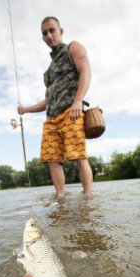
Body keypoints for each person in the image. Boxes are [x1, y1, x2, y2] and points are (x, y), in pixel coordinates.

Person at [17, 16, 93, 196]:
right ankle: (60, 199)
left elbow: (86, 73)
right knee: (52, 160)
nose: (49, 35)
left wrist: (77, 101)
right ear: (43, 38)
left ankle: (88, 198)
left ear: (61, 31)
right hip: (51, 119)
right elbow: (47, 101)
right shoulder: (48, 72)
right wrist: (26, 109)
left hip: (71, 112)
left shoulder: (73, 47)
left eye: (52, 30)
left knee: (79, 157)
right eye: (45, 33)